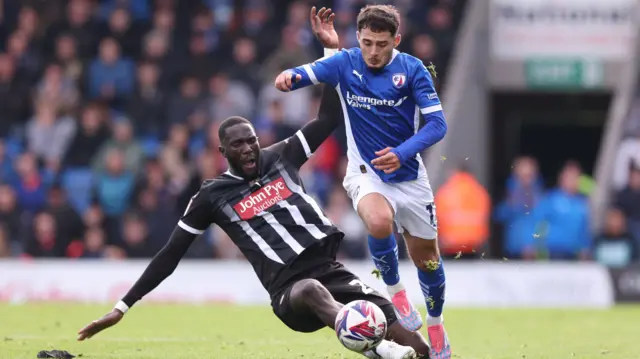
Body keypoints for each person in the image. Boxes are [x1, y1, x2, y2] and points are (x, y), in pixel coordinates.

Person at [76, 87, 430, 358]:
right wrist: (122, 307)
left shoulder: (282, 156)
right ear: (223, 152)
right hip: (289, 291)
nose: (248, 149)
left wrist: (332, 56)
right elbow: (170, 255)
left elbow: (327, 119)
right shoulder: (211, 196)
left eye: (252, 141)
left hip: (332, 270)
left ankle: (384, 346)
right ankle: (377, 347)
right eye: (238, 145)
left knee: (418, 347)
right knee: (310, 289)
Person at [275, 5, 450, 358]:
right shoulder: (345, 62)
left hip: (410, 178)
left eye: (381, 44)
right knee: (379, 220)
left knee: (428, 261)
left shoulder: (413, 70)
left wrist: (402, 152)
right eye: (367, 42)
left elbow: (437, 125)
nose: (373, 51)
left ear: (396, 40)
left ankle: (435, 321)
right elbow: (307, 72)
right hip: (366, 174)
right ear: (358, 38)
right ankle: (396, 291)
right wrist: (288, 77)